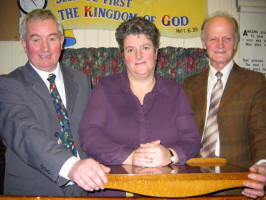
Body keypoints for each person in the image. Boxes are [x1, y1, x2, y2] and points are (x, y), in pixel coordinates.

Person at [0, 9, 110, 196]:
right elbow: (24, 132)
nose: (45, 48)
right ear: (24, 44)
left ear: (61, 41)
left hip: (84, 190)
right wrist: (71, 167)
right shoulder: (8, 85)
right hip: (33, 191)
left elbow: (94, 129)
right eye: (36, 40)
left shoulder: (82, 81)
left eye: (51, 38)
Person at [79, 17, 201, 169]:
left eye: (145, 48)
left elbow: (192, 141)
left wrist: (170, 155)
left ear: (156, 52)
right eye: (131, 49)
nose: (138, 56)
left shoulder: (176, 92)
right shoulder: (105, 88)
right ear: (123, 55)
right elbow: (89, 135)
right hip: (115, 185)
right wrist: (129, 156)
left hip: (166, 187)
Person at [183, 13, 266, 199]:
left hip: (238, 183)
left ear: (235, 42)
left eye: (227, 38)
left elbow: (261, 131)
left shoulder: (255, 82)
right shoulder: (188, 85)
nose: (220, 45)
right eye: (213, 38)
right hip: (192, 182)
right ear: (204, 43)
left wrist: (263, 165)